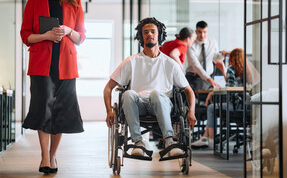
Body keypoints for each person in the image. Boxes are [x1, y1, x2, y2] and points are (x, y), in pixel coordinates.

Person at [20, 0, 86, 174]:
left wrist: (68, 30)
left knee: (62, 111)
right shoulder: (34, 1)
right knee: (43, 108)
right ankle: (45, 156)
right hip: (41, 64)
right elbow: (25, 35)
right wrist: (46, 36)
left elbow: (81, 37)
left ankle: (54, 155)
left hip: (66, 64)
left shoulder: (75, 4)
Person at [104, 17, 196, 158]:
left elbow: (189, 91)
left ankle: (170, 142)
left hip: (162, 103)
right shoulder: (132, 61)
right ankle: (138, 143)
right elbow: (108, 88)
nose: (149, 34)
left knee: (156, 95)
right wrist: (109, 110)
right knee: (128, 94)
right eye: (145, 32)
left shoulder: (169, 63)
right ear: (141, 36)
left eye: (153, 31)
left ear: (159, 34)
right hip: (139, 105)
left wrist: (191, 112)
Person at [192, 48, 255, 148]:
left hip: (235, 106)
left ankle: (210, 140)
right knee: (215, 107)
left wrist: (213, 91)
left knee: (211, 107)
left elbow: (230, 88)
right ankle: (205, 137)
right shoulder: (248, 71)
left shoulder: (231, 69)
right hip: (247, 107)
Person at [186, 21, 227, 91]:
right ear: (196, 32)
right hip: (194, 77)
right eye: (200, 32)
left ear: (207, 31)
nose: (202, 35)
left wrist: (223, 55)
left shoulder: (213, 42)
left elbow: (215, 58)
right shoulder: (191, 45)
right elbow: (196, 66)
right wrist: (209, 80)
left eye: (204, 32)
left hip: (209, 76)